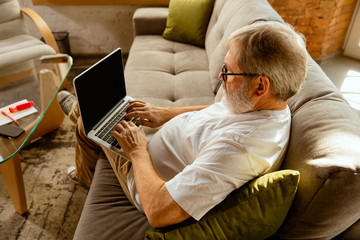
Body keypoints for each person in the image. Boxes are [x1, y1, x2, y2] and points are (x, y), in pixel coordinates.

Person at [57, 21, 307, 228]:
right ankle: (81, 113)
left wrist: (137, 151)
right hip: (151, 147)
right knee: (104, 113)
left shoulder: (239, 150)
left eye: (228, 71)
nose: (221, 77)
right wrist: (165, 113)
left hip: (143, 178)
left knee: (91, 121)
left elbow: (158, 210)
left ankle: (82, 157)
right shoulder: (261, 104)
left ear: (260, 86)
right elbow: (219, 109)